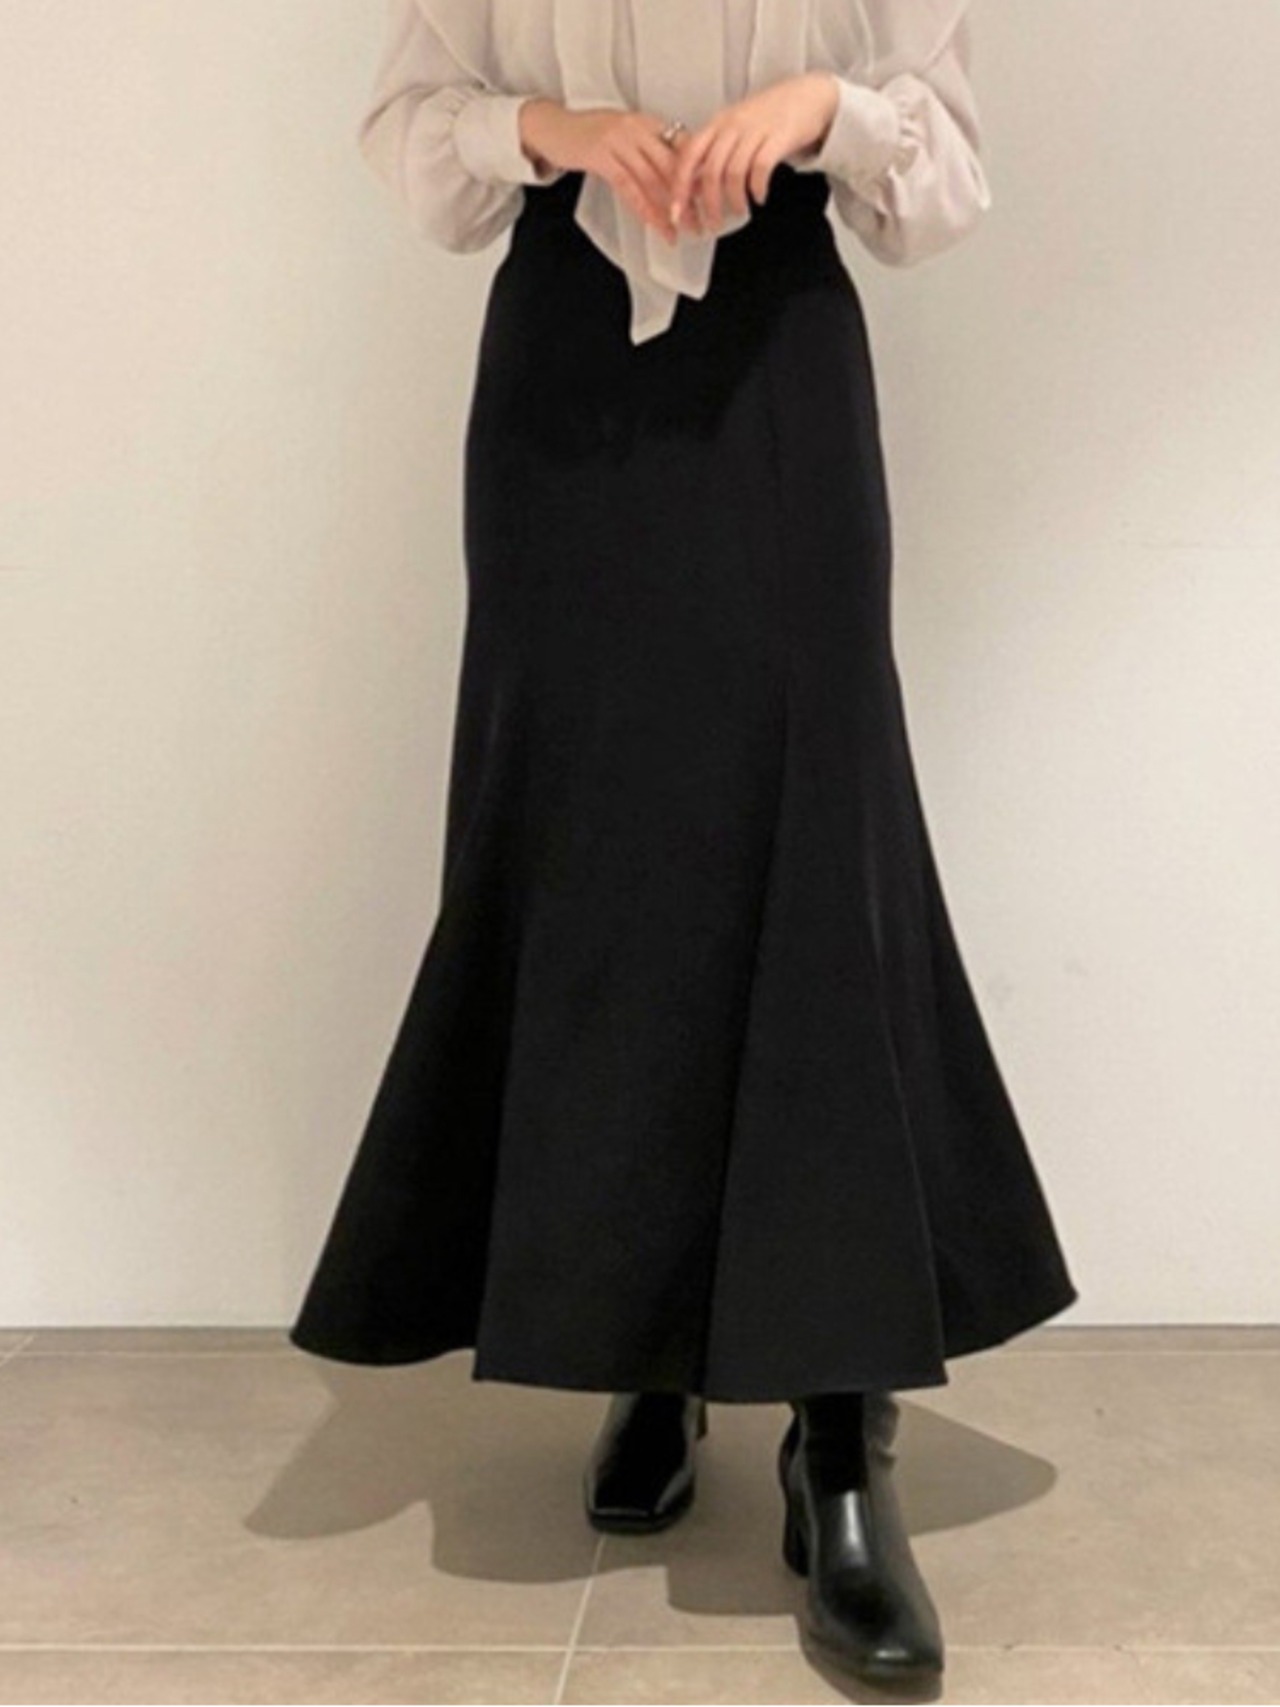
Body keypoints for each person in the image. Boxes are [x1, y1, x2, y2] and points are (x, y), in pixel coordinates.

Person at [289, 0, 1080, 1685]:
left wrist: (821, 107)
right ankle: (645, 1349)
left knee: (817, 853)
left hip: (779, 355)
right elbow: (413, 137)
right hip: (562, 376)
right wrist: (552, 132)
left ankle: (840, 1428)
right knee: (598, 864)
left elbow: (944, 186)